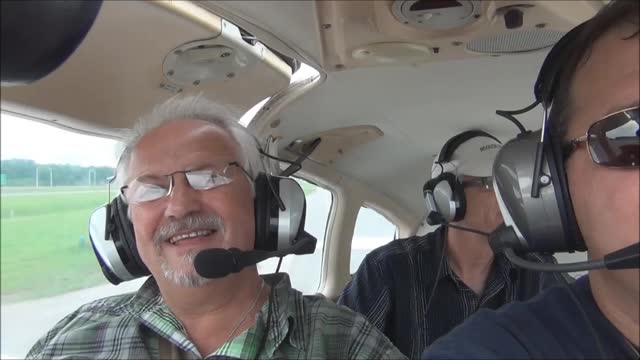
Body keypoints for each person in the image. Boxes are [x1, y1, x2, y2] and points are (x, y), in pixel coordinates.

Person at [26, 95, 407, 360]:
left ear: (267, 207)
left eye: (208, 177)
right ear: (122, 230)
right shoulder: (74, 339)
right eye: (151, 188)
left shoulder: (344, 343)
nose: (179, 206)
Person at [423, 1, 639, 358]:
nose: (503, 197)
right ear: (554, 187)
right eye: (632, 135)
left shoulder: (541, 270)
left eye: (499, 183)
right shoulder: (485, 347)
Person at [338, 130, 565, 358]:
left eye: (508, 180)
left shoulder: (536, 270)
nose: (507, 192)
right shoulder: (387, 269)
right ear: (447, 197)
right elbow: (338, 349)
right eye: (489, 183)